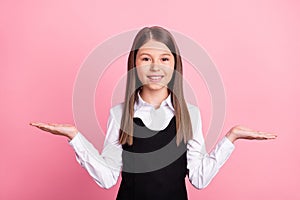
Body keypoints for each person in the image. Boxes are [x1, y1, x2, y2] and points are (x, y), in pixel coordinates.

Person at [30, 26, 277, 200]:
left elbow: (199, 180)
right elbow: (107, 178)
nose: (155, 66)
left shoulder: (190, 114)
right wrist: (75, 137)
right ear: (134, 64)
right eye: (146, 58)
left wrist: (230, 138)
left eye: (165, 59)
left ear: (175, 65)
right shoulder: (119, 114)